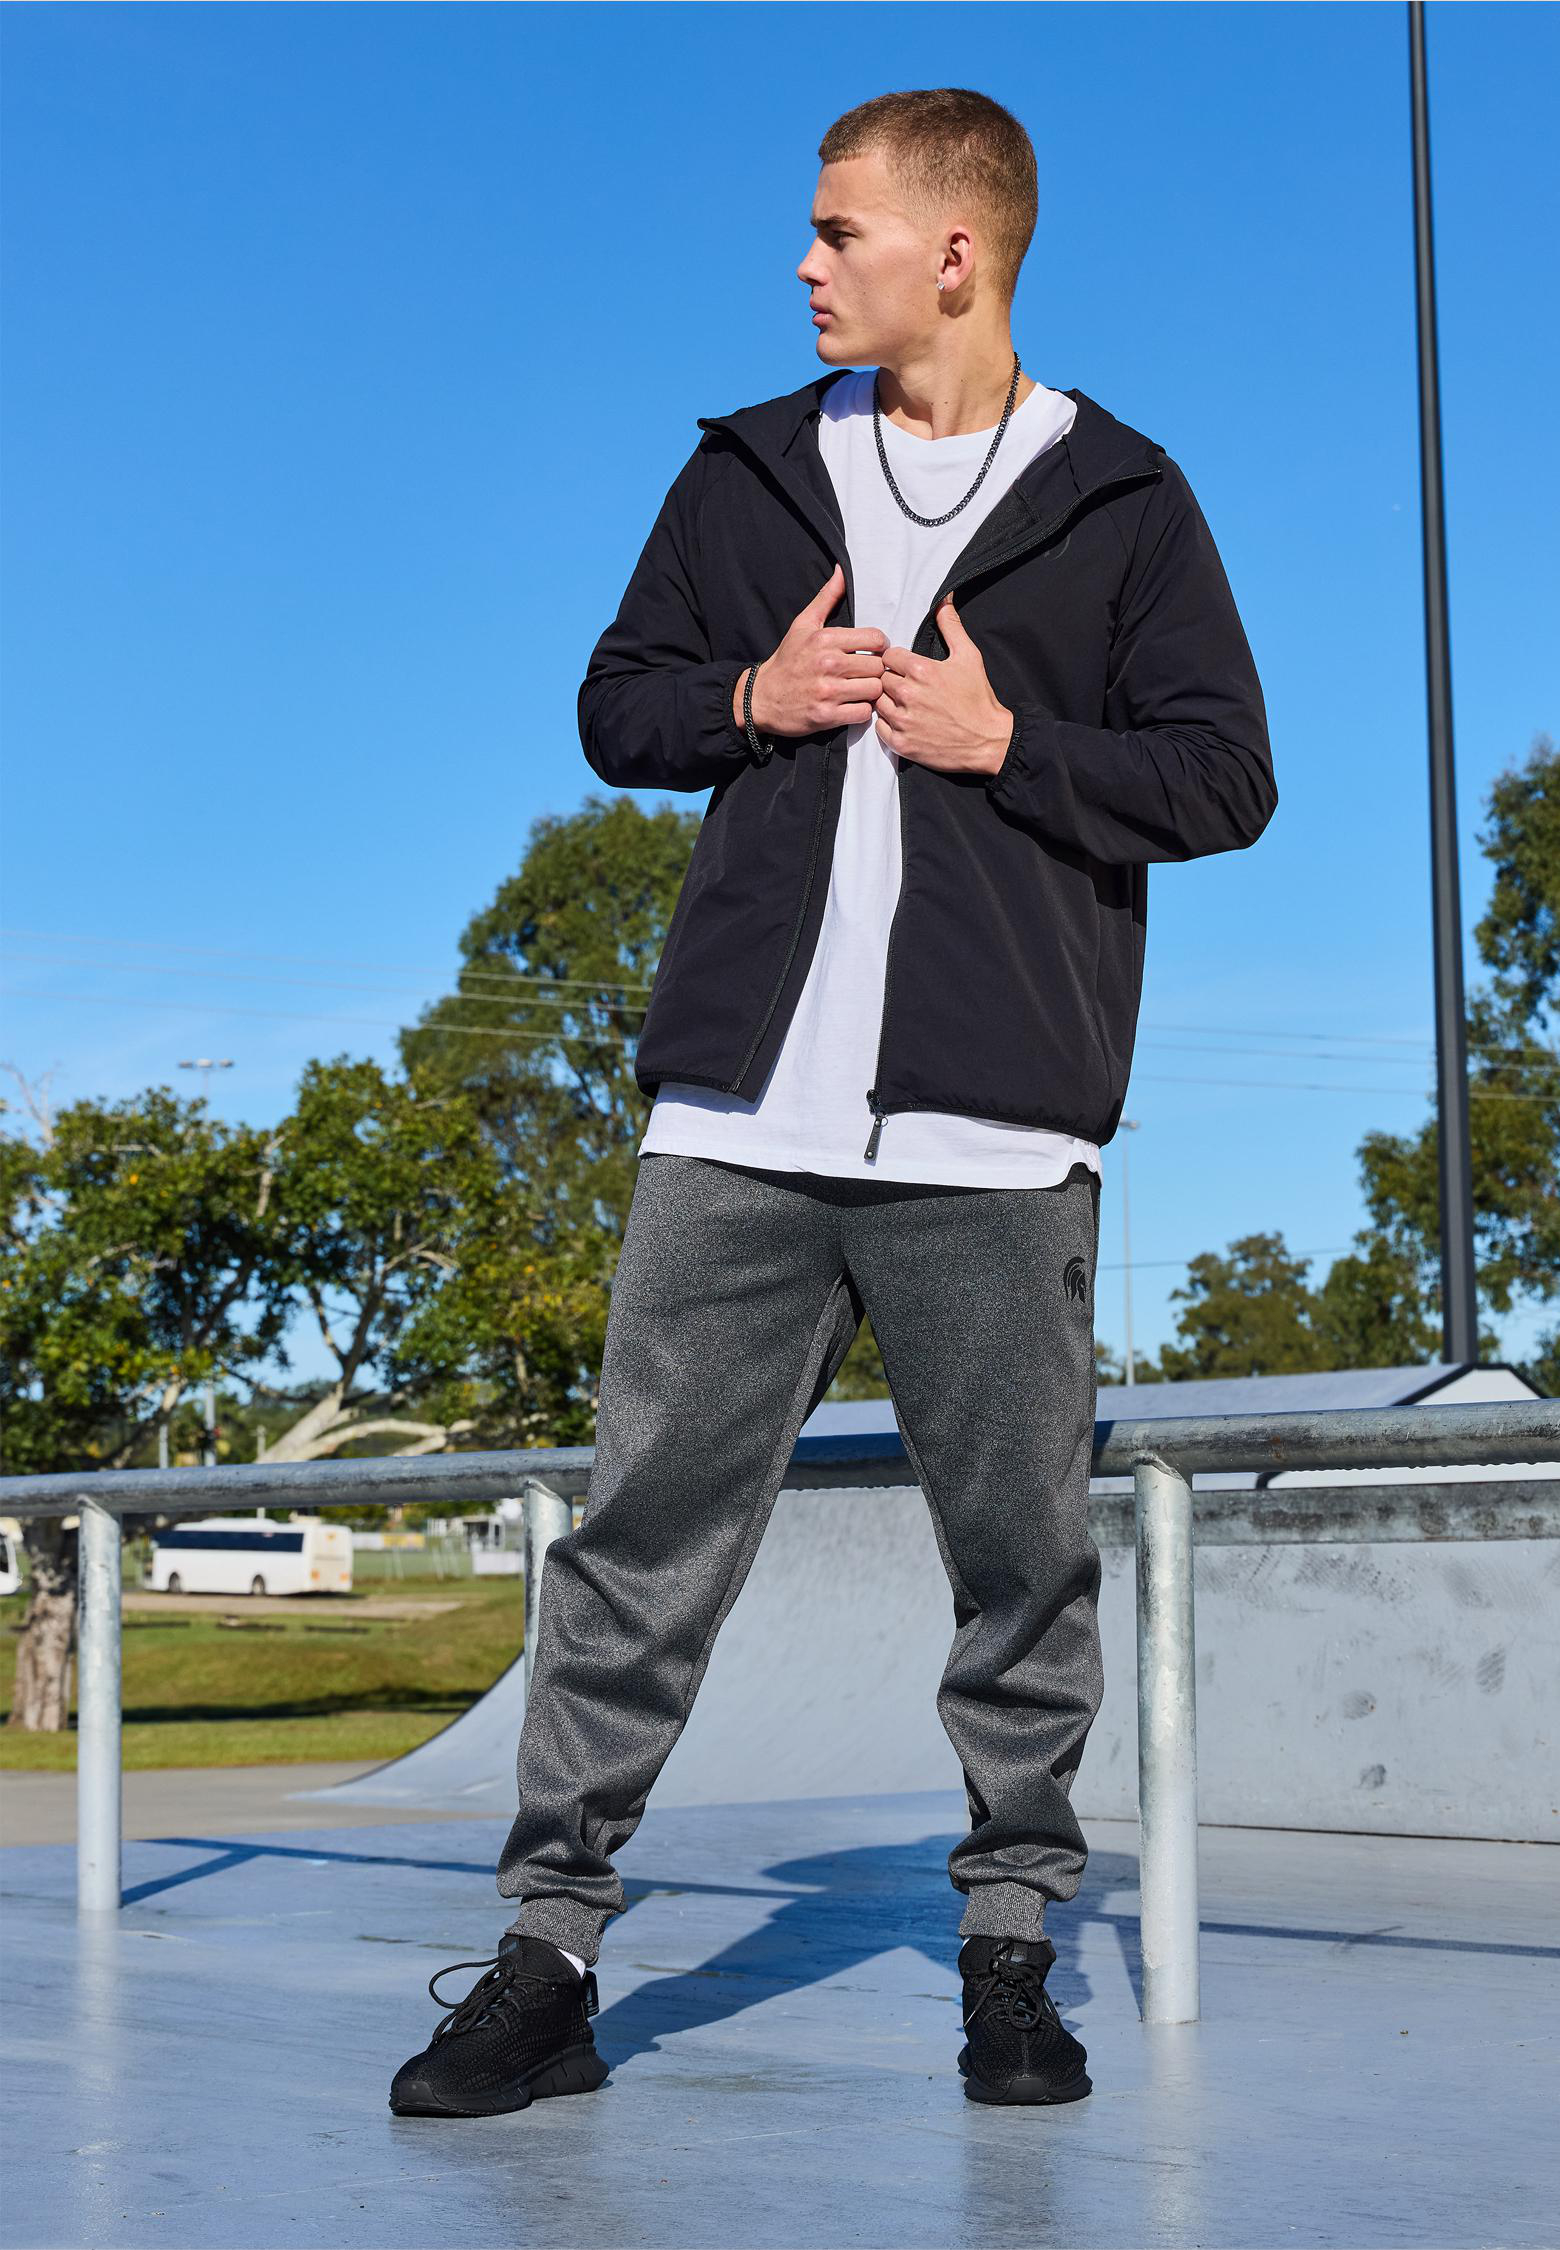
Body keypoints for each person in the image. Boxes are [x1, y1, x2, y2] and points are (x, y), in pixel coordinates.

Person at [388, 84, 1274, 2120]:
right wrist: (749, 701)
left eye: (837, 231)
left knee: (1020, 1562)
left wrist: (1005, 739)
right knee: (635, 1546)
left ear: (955, 253)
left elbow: (1225, 775)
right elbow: (616, 702)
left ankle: (1010, 1954)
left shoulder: (1124, 500)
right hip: (735, 1120)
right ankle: (546, 1963)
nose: (803, 264)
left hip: (994, 1134)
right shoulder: (750, 472)